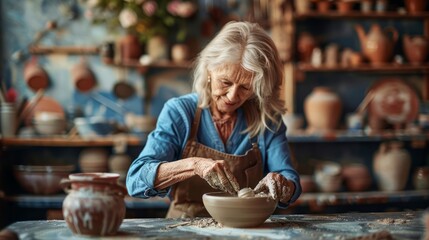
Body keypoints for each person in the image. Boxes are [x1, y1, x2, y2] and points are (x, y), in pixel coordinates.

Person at [126, 21, 301, 218]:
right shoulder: (180, 112)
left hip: (246, 225)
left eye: (245, 87)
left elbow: (290, 180)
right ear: (209, 70)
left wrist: (282, 184)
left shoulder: (267, 119)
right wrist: (194, 165)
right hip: (185, 226)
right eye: (225, 82)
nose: (233, 96)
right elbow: (136, 181)